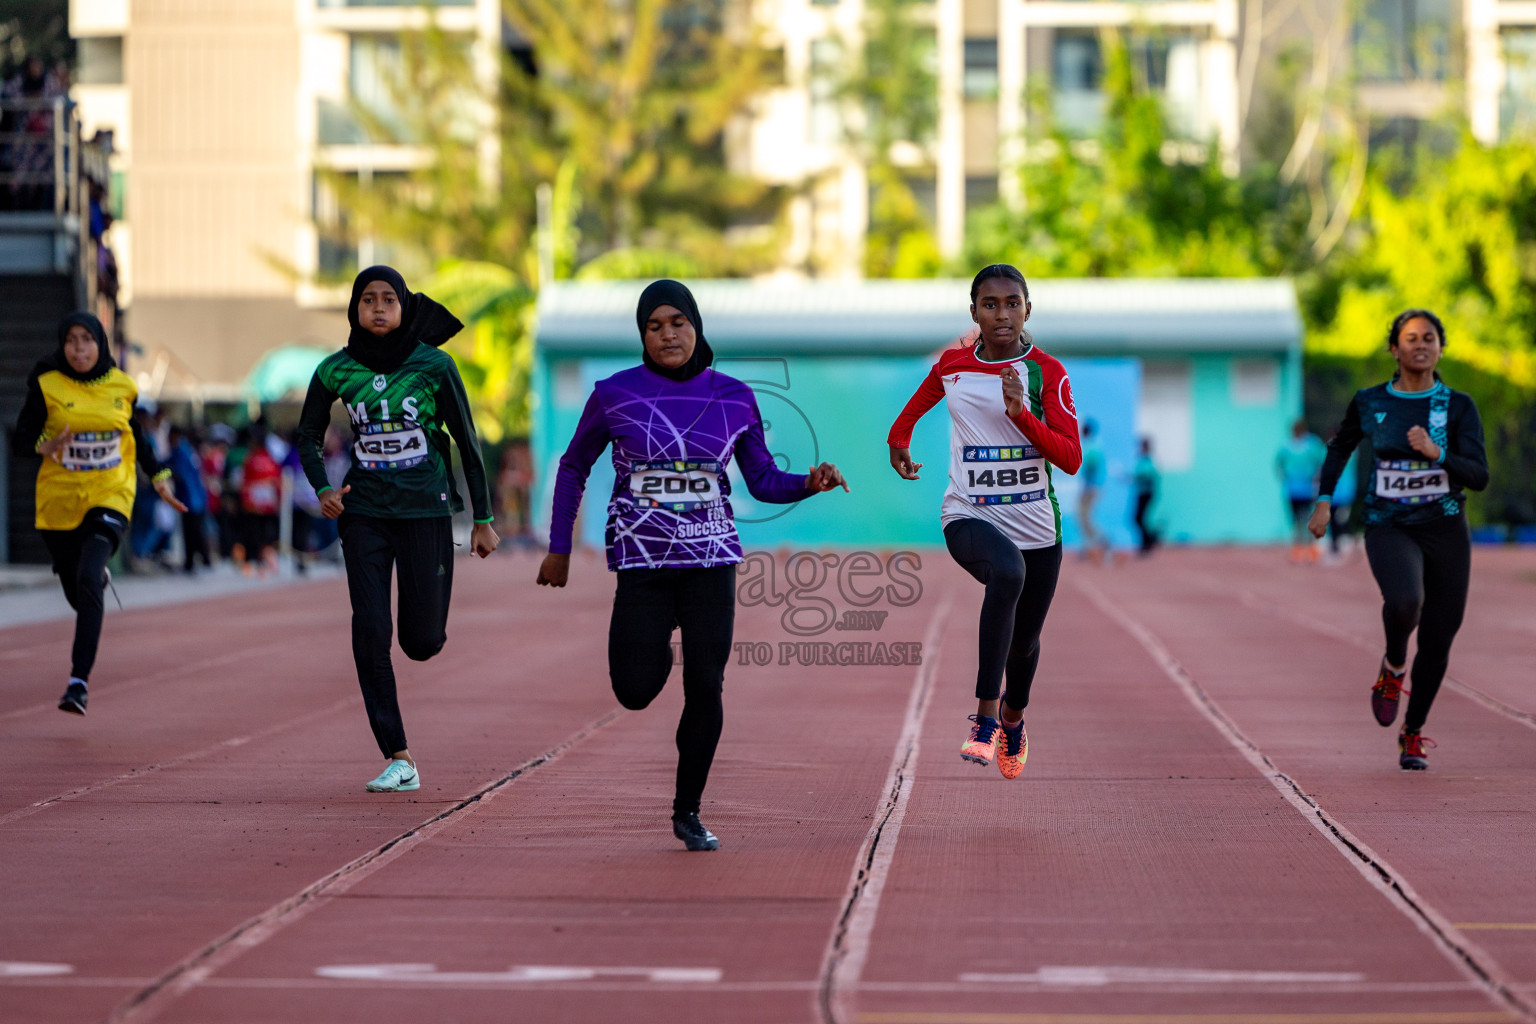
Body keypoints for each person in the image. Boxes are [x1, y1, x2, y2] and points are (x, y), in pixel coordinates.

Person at [536, 279, 848, 851]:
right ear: (642, 336)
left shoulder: (733, 396)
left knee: (706, 685)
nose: (667, 335)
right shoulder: (613, 393)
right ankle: (655, 648)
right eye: (653, 327)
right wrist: (559, 548)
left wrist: (809, 482)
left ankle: (689, 811)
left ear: (696, 326)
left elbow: (761, 479)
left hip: (711, 562)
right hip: (643, 564)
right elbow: (574, 465)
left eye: (677, 322)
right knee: (633, 690)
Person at [296, 266, 500, 793]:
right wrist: (323, 488)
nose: (379, 308)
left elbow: (467, 440)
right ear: (354, 310)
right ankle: (399, 755)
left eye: (389, 299)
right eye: (369, 300)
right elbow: (308, 436)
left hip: (425, 513)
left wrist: (482, 518)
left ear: (406, 307)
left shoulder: (434, 365)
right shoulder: (335, 370)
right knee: (370, 631)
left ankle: (424, 637)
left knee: (422, 641)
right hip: (363, 512)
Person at [887, 264, 1081, 780]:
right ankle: (986, 718)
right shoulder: (953, 366)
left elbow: (1070, 458)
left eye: (1012, 303)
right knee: (1007, 572)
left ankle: (1014, 720)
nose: (1001, 314)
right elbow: (914, 410)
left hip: (1038, 527)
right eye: (990, 304)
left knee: (1025, 643)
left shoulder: (1047, 372)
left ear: (1027, 310)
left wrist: (1021, 415)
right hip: (968, 514)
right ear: (973, 311)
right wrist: (898, 443)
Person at [1308, 309, 1488, 770]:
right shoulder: (1370, 401)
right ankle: (1392, 667)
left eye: (1429, 338)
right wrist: (1325, 500)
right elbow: (1341, 446)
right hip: (1389, 524)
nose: (1421, 345)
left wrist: (1437, 452)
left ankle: (1412, 733)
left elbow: (1479, 476)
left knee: (1439, 637)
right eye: (1410, 338)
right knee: (1406, 600)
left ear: (1440, 348)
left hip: (1445, 527)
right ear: (1395, 349)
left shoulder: (1459, 406)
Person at [10, 312, 187, 714]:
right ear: (61, 344)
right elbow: (21, 439)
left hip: (110, 493)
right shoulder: (47, 384)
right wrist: (47, 444)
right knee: (79, 590)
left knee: (90, 576)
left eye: (86, 340)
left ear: (100, 344)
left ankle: (78, 683)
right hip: (59, 502)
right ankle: (90, 581)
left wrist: (159, 476)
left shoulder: (122, 385)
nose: (78, 348)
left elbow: (137, 439)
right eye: (71, 340)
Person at [1277, 418, 1327, 563]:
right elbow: (1279, 464)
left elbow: (1321, 462)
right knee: (1297, 520)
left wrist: (1317, 478)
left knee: (1306, 519)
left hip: (1306, 488)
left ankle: (1309, 550)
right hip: (1294, 489)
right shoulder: (1287, 445)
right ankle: (1300, 551)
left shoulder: (1311, 444)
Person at [167, 424, 211, 573]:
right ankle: (201, 560)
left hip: (190, 498)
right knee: (196, 531)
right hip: (197, 497)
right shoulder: (187, 449)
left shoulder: (180, 451)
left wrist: (160, 475)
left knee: (192, 531)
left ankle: (194, 562)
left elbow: (177, 473)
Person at [1077, 418, 1108, 563]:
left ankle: (1102, 541)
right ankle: (1089, 547)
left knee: (1085, 518)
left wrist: (1087, 487)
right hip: (1092, 487)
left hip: (1090, 488)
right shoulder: (1093, 445)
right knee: (1085, 518)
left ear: (1086, 430)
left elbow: (1091, 468)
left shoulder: (1092, 446)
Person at [1131, 437, 1159, 555]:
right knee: (1139, 519)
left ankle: (1149, 541)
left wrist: (1135, 477)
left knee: (1139, 518)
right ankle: (1148, 541)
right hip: (1142, 493)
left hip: (1146, 494)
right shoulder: (1143, 460)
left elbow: (1147, 475)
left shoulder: (1148, 460)